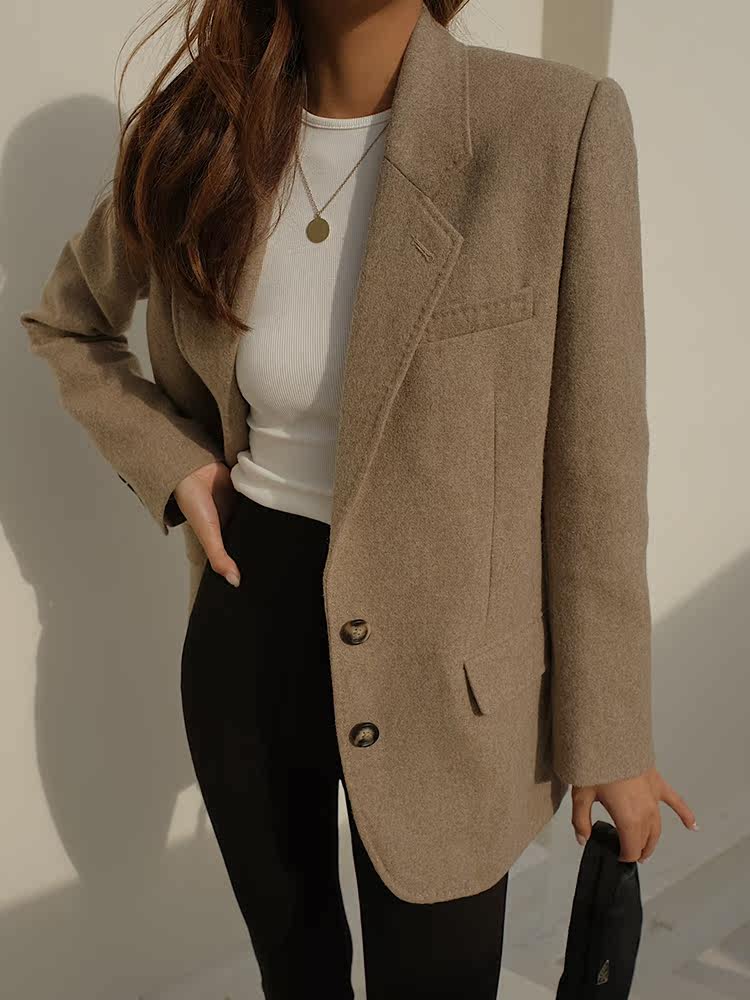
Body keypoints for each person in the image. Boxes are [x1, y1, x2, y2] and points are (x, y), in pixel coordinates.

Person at [20, 1, 697, 997]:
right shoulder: (199, 133)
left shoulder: (554, 127)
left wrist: (612, 735)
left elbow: (596, 463)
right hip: (250, 629)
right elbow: (69, 324)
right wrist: (172, 462)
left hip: (450, 675)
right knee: (296, 975)